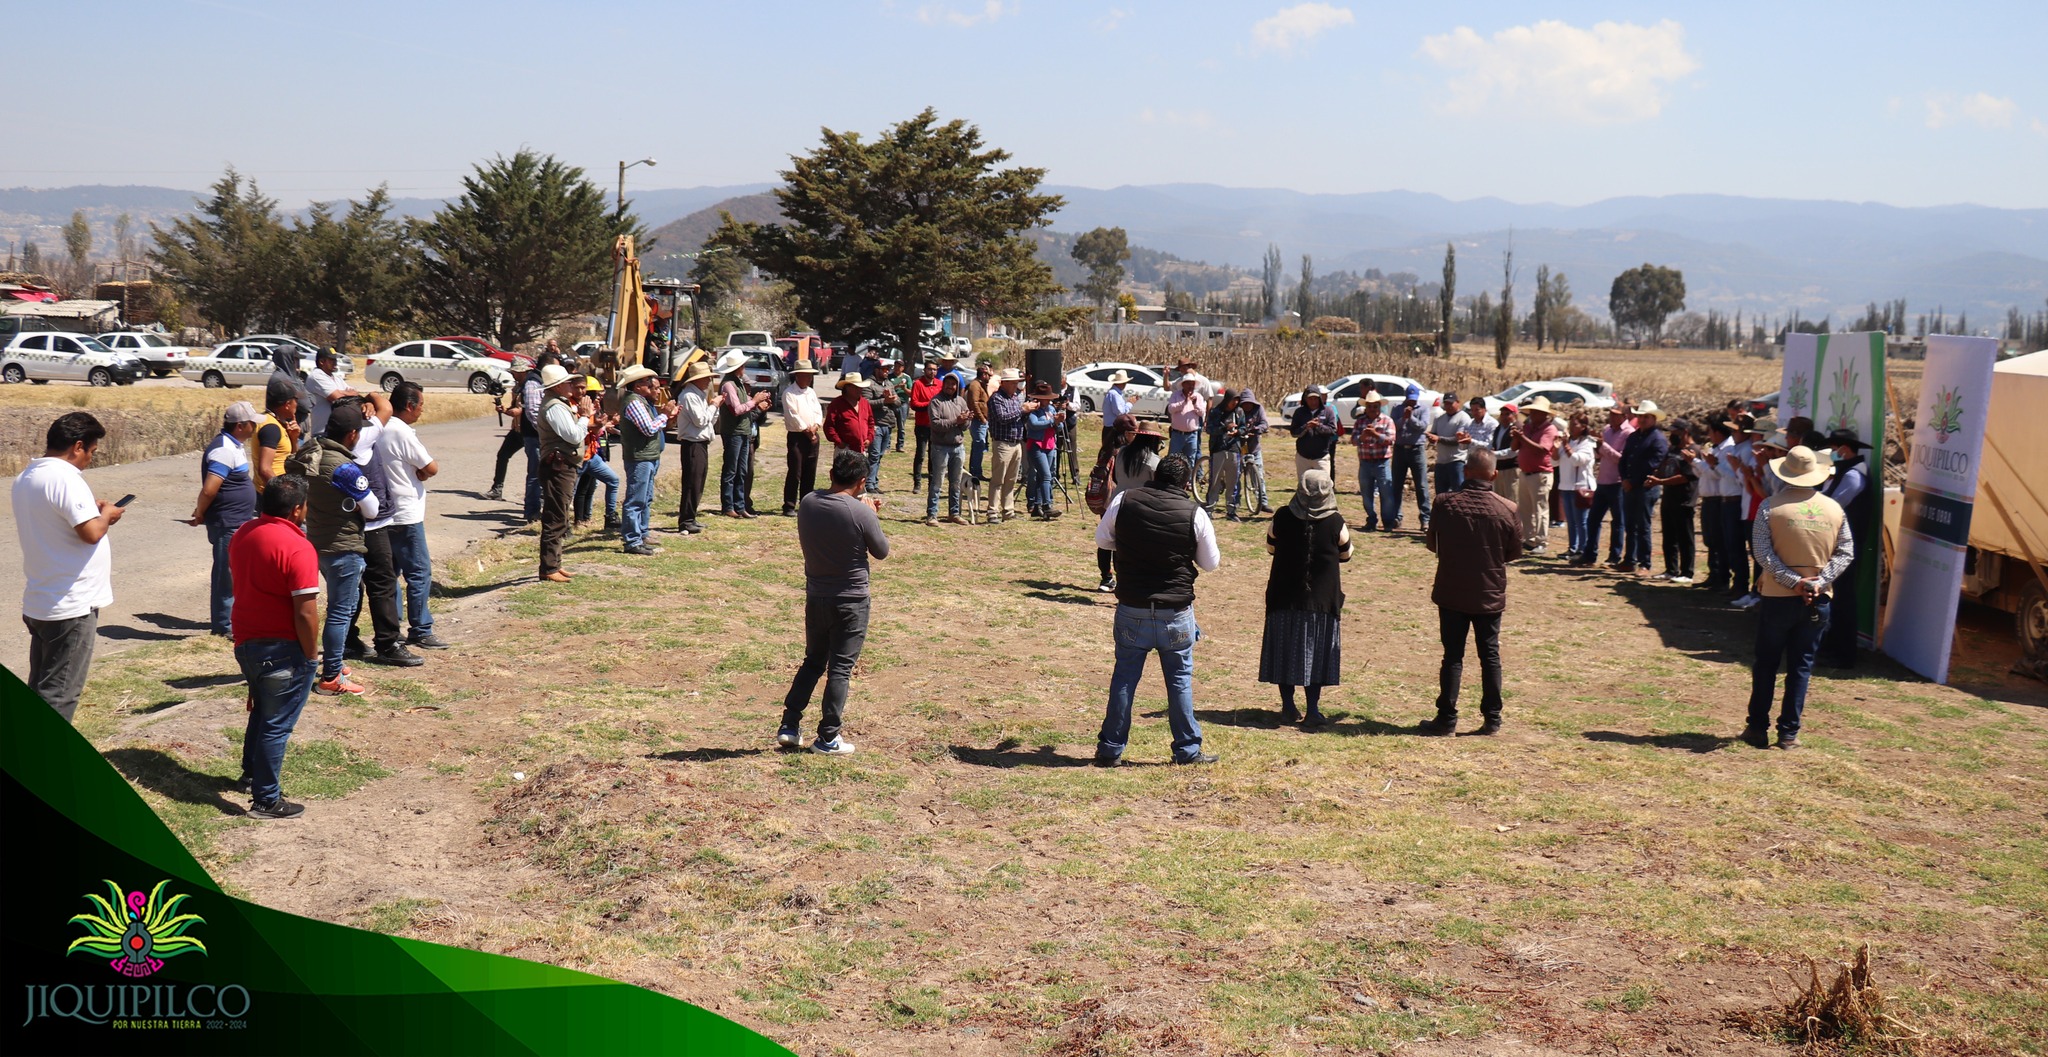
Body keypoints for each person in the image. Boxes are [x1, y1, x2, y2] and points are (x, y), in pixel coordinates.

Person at [1093, 454, 1219, 766]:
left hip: (1132, 606)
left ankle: (1110, 750)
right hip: (1174, 611)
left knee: (1124, 678)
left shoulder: (1125, 500)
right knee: (1179, 680)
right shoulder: (1194, 513)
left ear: (1154, 475)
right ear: (1185, 483)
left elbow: (1103, 540)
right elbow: (1210, 563)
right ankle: (1187, 750)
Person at [779, 450, 891, 756]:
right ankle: (828, 737)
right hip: (851, 600)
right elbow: (881, 551)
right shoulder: (861, 512)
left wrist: (861, 510)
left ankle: (790, 724)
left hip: (816, 596)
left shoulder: (809, 502)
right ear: (862, 481)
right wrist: (869, 514)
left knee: (813, 661)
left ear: (831, 474)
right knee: (840, 668)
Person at [13, 413, 122, 722]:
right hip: (70, 604)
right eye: (91, 451)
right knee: (59, 696)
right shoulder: (65, 478)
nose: (90, 459)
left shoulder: (28, 476)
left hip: (43, 598)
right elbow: (91, 533)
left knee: (41, 689)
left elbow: (61, 524)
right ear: (77, 446)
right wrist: (108, 516)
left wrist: (96, 512)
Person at [1746, 445, 1853, 750]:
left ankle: (1757, 727)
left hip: (1778, 596)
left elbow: (1763, 553)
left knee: (1766, 662)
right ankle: (1789, 732)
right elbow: (1846, 552)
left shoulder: (1769, 506)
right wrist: (1818, 582)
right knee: (1801, 665)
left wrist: (1793, 581)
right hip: (1818, 598)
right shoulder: (1834, 509)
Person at [229, 474, 322, 819]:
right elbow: (305, 611)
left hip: (246, 642)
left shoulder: (243, 534)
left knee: (263, 710)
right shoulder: (298, 547)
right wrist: (311, 655)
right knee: (276, 724)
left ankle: (251, 773)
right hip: (282, 649)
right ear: (297, 510)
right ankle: (266, 800)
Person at [1422, 449, 1522, 735]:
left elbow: (1433, 544)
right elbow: (1513, 553)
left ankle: (1447, 718)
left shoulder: (1444, 503)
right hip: (1488, 594)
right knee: (1489, 655)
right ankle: (1492, 719)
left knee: (1453, 655)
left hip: (1452, 590)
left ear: (1465, 471)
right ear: (1494, 474)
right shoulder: (1508, 508)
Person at [1259, 468, 1352, 728]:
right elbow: (1346, 554)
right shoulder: (1336, 522)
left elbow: (1270, 547)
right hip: (1320, 603)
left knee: (1284, 653)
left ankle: (1288, 707)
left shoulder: (1282, 516)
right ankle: (1313, 710)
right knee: (1317, 656)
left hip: (1283, 598)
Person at [292, 403, 372, 697]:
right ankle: (331, 677)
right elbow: (373, 509)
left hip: (317, 543)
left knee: (342, 608)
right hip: (344, 546)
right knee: (340, 612)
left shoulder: (311, 453)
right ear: (352, 434)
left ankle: (334, 664)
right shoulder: (344, 467)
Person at [374, 381, 446, 648]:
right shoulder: (401, 432)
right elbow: (431, 466)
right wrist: (424, 472)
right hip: (405, 513)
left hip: (384, 512)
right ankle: (421, 628)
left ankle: (393, 629)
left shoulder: (378, 428)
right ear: (409, 406)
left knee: (389, 573)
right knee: (418, 572)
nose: (422, 411)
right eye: (421, 405)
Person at [186, 401, 263, 636]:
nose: (255, 427)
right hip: (227, 522)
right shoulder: (223, 450)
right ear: (240, 426)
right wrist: (200, 512)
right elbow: (210, 489)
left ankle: (234, 621)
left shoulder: (234, 445)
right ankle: (223, 626)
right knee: (226, 574)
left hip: (237, 520)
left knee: (236, 572)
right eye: (252, 423)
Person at [1818, 428, 1874, 668]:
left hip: (1846, 546)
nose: (1831, 453)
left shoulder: (1853, 475)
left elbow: (1832, 506)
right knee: (1838, 598)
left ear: (1844, 449)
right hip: (1841, 544)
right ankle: (1836, 648)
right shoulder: (1848, 472)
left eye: (1833, 448)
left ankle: (1844, 653)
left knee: (1843, 599)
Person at [536, 364, 591, 583]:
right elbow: (572, 435)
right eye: (567, 382)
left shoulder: (558, 403)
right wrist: (585, 417)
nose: (571, 385)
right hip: (558, 467)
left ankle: (554, 564)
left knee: (559, 515)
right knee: (556, 516)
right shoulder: (555, 407)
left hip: (561, 466)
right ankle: (549, 567)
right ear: (558, 386)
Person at [1098, 421, 1165, 593]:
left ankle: (1107, 577)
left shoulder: (1121, 453)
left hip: (1117, 502)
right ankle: (1127, 582)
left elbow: (1116, 478)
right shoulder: (1154, 462)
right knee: (1132, 549)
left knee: (1110, 542)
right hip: (1141, 507)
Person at [615, 364, 674, 556]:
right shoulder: (634, 403)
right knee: (636, 499)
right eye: (645, 381)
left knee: (645, 498)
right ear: (635, 385)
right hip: (640, 458)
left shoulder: (640, 401)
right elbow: (648, 429)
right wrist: (664, 415)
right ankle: (632, 540)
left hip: (646, 456)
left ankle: (640, 534)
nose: (650, 384)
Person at [716, 351, 772, 518]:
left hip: (742, 431)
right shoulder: (728, 385)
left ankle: (739, 506)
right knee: (731, 470)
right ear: (738, 367)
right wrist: (755, 401)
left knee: (741, 470)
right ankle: (728, 506)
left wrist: (756, 402)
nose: (744, 368)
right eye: (742, 365)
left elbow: (743, 405)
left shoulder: (736, 383)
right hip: (733, 432)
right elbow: (737, 409)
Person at [1579, 403, 1635, 568]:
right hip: (1603, 480)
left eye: (1615, 414)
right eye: (1610, 413)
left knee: (1618, 521)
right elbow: (1600, 455)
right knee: (1593, 519)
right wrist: (1598, 447)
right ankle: (1589, 555)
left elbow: (1621, 459)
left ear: (1624, 416)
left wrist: (1603, 445)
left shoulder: (1628, 433)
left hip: (1617, 482)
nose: (1611, 416)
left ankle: (1614, 557)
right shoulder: (1607, 430)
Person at [1618, 401, 1668, 574]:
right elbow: (1624, 460)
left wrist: (1632, 480)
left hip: (1646, 487)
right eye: (1640, 416)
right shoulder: (1633, 436)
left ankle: (1644, 563)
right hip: (1630, 485)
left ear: (1653, 419)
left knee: (1643, 525)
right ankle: (1629, 560)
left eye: (1645, 417)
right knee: (1630, 525)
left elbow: (1653, 464)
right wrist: (1624, 478)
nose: (1642, 419)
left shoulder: (1658, 439)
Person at [1647, 420, 1699, 584]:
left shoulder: (1693, 451)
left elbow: (1685, 477)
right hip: (1669, 497)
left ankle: (1687, 572)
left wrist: (1660, 482)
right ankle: (1671, 569)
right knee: (1669, 536)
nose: (1672, 436)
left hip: (1684, 498)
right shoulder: (1673, 449)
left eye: (1675, 432)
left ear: (1685, 431)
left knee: (1685, 537)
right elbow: (1664, 467)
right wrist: (1656, 475)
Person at [571, 375, 621, 533]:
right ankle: (569, 522)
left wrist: (602, 423)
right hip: (577, 456)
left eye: (583, 388)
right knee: (573, 492)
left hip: (592, 455)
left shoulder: (592, 407)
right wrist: (601, 424)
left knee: (612, 480)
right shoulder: (571, 405)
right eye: (597, 393)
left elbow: (595, 429)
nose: (582, 391)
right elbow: (576, 430)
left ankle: (610, 517)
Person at [1696, 419, 1741, 593]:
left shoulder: (1728, 449)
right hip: (1717, 498)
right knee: (1712, 540)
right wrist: (1701, 463)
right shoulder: (1717, 448)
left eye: (1710, 431)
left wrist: (1710, 463)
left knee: (1721, 541)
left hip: (1722, 498)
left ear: (1718, 433)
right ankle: (1715, 575)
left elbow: (1722, 475)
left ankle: (1723, 578)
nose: (1708, 436)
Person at [1511, 397, 1560, 554]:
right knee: (1525, 508)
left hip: (1541, 473)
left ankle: (1541, 541)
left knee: (1540, 509)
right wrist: (1516, 437)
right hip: (1526, 472)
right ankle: (1529, 539)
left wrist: (1522, 438)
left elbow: (1541, 449)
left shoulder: (1549, 429)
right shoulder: (1528, 427)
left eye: (1535, 412)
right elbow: (1514, 447)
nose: (1532, 414)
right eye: (1531, 412)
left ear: (1544, 414)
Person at [673, 360, 717, 534]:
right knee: (692, 482)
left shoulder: (698, 395)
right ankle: (686, 520)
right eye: (705, 378)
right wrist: (714, 406)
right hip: (692, 443)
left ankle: (691, 516)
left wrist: (714, 407)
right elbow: (700, 421)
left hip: (700, 442)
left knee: (698, 481)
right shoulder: (690, 396)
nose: (708, 381)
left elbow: (708, 421)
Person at [924, 372, 971, 527]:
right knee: (937, 482)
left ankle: (955, 513)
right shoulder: (936, 402)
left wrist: (965, 421)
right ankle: (932, 514)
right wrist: (956, 420)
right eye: (948, 384)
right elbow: (936, 425)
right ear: (943, 385)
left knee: (956, 482)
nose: (951, 387)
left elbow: (965, 426)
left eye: (954, 384)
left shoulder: (961, 402)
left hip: (958, 447)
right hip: (940, 447)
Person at [485, 358, 532, 501]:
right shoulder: (518, 387)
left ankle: (538, 496)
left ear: (521, 371)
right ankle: (497, 489)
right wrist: (505, 408)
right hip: (517, 430)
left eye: (514, 371)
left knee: (535, 465)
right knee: (503, 455)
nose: (512, 374)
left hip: (529, 431)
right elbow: (514, 408)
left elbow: (519, 411)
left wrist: (505, 410)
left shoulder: (529, 387)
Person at [985, 368, 1028, 522]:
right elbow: (1002, 418)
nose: (1016, 385)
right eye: (1014, 383)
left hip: (1016, 442)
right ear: (1004, 383)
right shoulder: (996, 399)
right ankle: (992, 511)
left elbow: (1018, 418)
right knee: (998, 479)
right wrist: (1022, 410)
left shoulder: (1015, 398)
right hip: (1002, 443)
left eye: (1017, 382)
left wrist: (1026, 412)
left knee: (1011, 479)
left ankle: (1008, 510)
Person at [1390, 385, 1434, 532]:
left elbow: (1422, 427)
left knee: (1421, 485)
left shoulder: (1424, 409)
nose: (1411, 403)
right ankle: (1396, 517)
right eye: (1409, 400)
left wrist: (1411, 418)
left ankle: (1425, 519)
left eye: (1413, 401)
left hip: (1417, 449)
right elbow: (1393, 427)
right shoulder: (1397, 408)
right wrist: (1403, 418)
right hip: (1400, 449)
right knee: (1396, 484)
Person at [1557, 411, 1597, 563]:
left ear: (1583, 427)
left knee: (1581, 521)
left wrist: (1566, 445)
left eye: (1575, 424)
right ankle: (1572, 547)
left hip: (1581, 487)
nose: (1571, 427)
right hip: (1566, 485)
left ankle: (1583, 549)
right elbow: (1556, 461)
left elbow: (1577, 460)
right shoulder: (1569, 441)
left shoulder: (1587, 443)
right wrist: (1556, 448)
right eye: (1570, 424)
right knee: (1571, 520)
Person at [1351, 396, 1396, 531]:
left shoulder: (1387, 420)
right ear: (1366, 407)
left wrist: (1375, 434)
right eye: (1369, 406)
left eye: (1375, 406)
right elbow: (1353, 440)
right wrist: (1362, 437)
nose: (1372, 409)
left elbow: (1391, 440)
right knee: (1366, 493)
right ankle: (1371, 519)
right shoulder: (1360, 422)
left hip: (1382, 462)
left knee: (1386, 493)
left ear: (1379, 406)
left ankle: (1388, 522)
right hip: (1365, 462)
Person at [1202, 388, 1247, 521]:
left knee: (1233, 482)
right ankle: (1210, 508)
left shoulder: (1239, 412)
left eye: (1237, 400)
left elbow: (1244, 428)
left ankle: (1231, 510)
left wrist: (1238, 432)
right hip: (1218, 449)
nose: (1235, 403)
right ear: (1227, 399)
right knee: (1215, 481)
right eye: (1233, 400)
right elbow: (1209, 429)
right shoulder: (1216, 411)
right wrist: (1223, 428)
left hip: (1234, 449)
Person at [1024, 380, 1065, 520]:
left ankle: (1037, 506)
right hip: (1037, 445)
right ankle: (1047, 505)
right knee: (1046, 476)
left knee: (1045, 476)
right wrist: (1053, 422)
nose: (1047, 401)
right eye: (1045, 398)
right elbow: (1033, 424)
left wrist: (1059, 422)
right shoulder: (1033, 410)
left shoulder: (1052, 409)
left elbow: (1059, 428)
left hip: (1049, 445)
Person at [1290, 384, 1341, 482]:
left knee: (1324, 485)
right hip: (1303, 457)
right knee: (1304, 487)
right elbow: (1294, 433)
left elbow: (1332, 430)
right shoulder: (1299, 412)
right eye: (1310, 399)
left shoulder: (1328, 411)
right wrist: (1306, 427)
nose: (1313, 402)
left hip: (1321, 457)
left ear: (1320, 398)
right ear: (1305, 399)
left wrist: (1318, 426)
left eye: (1315, 399)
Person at [519, 353, 549, 523]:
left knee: (543, 474)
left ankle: (539, 508)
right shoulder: (533, 382)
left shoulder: (541, 380)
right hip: (535, 435)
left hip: (541, 435)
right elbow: (532, 411)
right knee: (535, 474)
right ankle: (532, 511)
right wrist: (545, 431)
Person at [303, 347, 357, 440]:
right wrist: (344, 393)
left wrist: (343, 393)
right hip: (322, 433)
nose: (335, 362)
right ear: (322, 362)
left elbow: (355, 394)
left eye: (335, 359)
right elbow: (337, 399)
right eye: (331, 360)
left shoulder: (336, 378)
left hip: (337, 431)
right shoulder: (316, 376)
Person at [253, 385, 300, 492]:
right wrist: (284, 493)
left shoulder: (273, 422)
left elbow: (293, 459)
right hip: (271, 495)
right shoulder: (271, 428)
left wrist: (294, 439)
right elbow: (264, 470)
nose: (297, 404)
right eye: (296, 400)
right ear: (288, 404)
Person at [1235, 389, 1273, 516]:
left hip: (1254, 448)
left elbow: (1264, 423)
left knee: (1259, 477)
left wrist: (1257, 429)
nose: (1247, 406)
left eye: (1249, 403)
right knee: (1236, 475)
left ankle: (1262, 502)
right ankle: (1235, 501)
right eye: (1244, 403)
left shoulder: (1259, 409)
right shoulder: (1238, 411)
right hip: (1239, 447)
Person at [1428, 392, 1474, 496]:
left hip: (1456, 461)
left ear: (1458, 403)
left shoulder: (1463, 417)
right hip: (1441, 461)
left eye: (1450, 403)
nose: (1448, 406)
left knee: (1458, 493)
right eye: (1446, 404)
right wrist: (1431, 437)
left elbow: (1457, 440)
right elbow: (1434, 433)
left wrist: (1438, 439)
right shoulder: (1439, 418)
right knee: (1441, 495)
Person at [824, 373, 876, 466]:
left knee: (859, 477)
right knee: (843, 477)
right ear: (847, 388)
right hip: (844, 449)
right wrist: (839, 442)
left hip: (861, 449)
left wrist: (869, 438)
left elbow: (871, 422)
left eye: (860, 387)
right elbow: (829, 426)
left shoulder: (864, 403)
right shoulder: (837, 404)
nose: (859, 389)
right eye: (855, 387)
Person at [908, 360, 940, 492]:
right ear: (924, 370)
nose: (932, 372)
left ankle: (933, 483)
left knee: (934, 455)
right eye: (930, 369)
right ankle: (917, 483)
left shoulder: (940, 384)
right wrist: (930, 404)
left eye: (934, 369)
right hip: (922, 424)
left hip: (936, 426)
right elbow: (914, 404)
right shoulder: (918, 384)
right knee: (920, 454)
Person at [866, 369, 900, 493]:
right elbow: (866, 403)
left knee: (879, 455)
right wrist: (884, 400)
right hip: (875, 424)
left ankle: (874, 481)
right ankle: (869, 484)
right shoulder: (869, 384)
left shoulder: (889, 384)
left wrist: (892, 399)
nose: (886, 372)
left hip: (888, 424)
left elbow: (898, 402)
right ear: (876, 370)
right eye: (883, 369)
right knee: (874, 455)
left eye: (887, 369)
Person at [1166, 374, 1207, 475]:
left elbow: (1202, 413)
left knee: (1190, 459)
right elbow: (1170, 409)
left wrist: (1195, 404)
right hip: (1177, 434)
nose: (1191, 386)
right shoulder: (1176, 395)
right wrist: (1183, 403)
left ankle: (1187, 481)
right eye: (1188, 384)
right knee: (1173, 458)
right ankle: (1172, 478)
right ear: (1183, 384)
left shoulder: (1198, 397)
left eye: (1192, 384)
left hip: (1192, 434)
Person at [966, 361, 993, 484]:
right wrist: (982, 418)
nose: (990, 378)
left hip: (982, 420)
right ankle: (975, 472)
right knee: (978, 445)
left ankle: (976, 470)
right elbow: (974, 403)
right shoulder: (975, 385)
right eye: (988, 375)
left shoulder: (981, 385)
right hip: (978, 421)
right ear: (983, 375)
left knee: (980, 446)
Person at [1489, 403, 1520, 500]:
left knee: (1511, 499)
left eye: (1507, 414)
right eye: (1502, 414)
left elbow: (1513, 452)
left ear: (1515, 415)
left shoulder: (1516, 428)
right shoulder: (1498, 428)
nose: (1504, 417)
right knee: (1498, 499)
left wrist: (1493, 454)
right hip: (1499, 468)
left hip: (1511, 469)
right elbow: (1493, 445)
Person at [1100, 370, 1136, 454]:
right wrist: (1130, 403)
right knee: (1113, 453)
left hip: (1110, 428)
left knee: (1108, 452)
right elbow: (1119, 412)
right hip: (1113, 429)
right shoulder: (1115, 394)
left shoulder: (1113, 393)